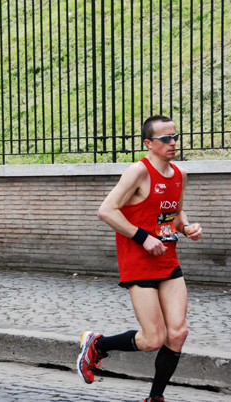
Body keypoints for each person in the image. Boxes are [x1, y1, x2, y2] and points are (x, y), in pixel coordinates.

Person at [77, 115, 203, 402]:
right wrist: (143, 237)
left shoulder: (179, 175)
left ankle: (155, 398)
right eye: (165, 139)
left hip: (168, 260)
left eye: (175, 137)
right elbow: (107, 210)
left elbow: (175, 215)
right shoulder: (138, 172)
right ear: (148, 143)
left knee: (178, 334)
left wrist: (188, 227)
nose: (173, 143)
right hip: (139, 263)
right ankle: (98, 345)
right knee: (153, 339)